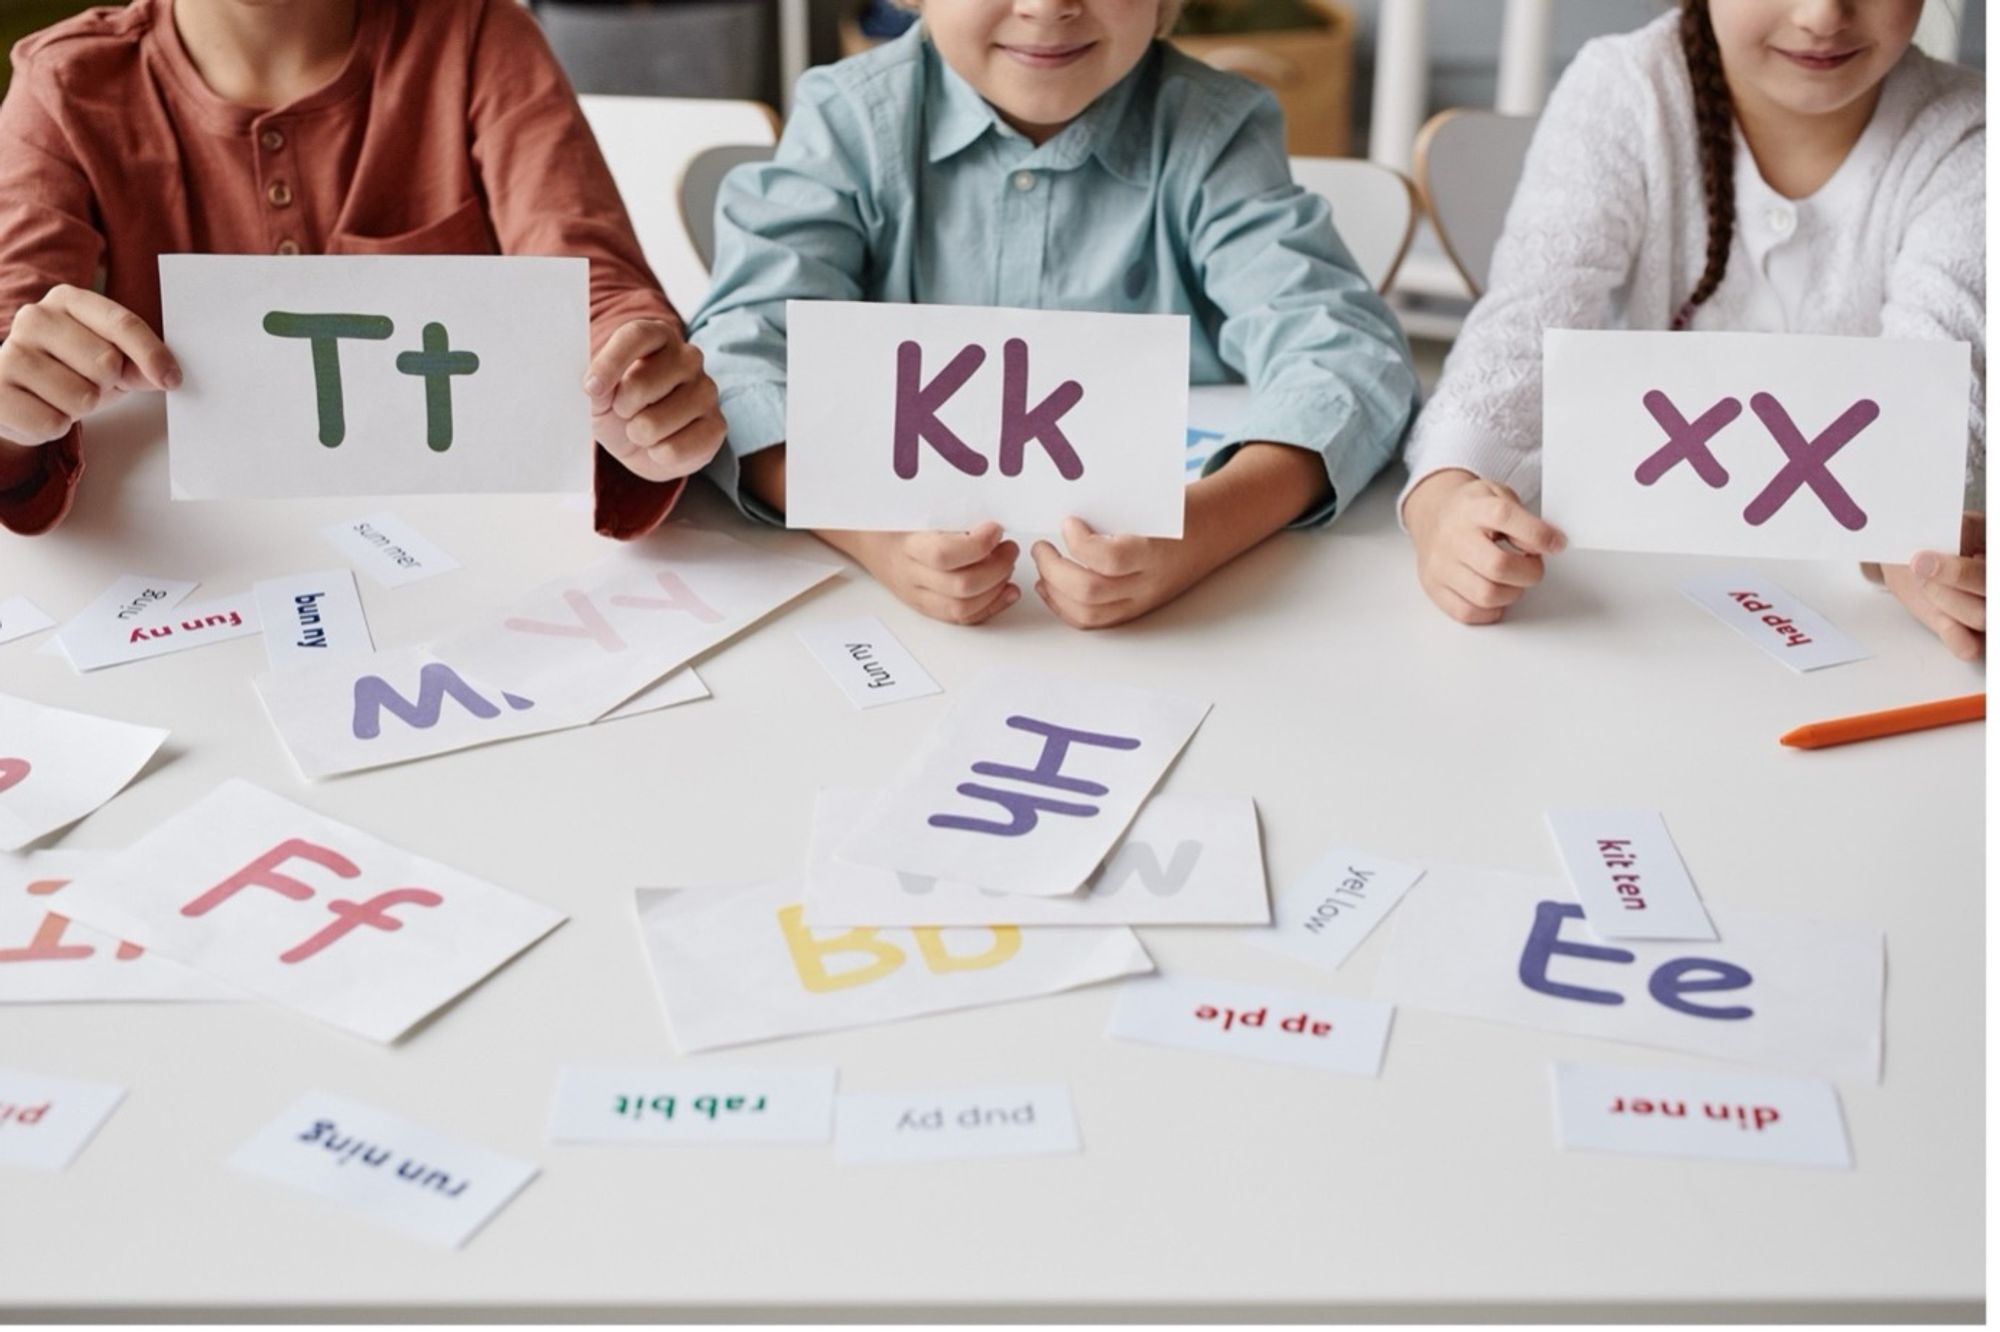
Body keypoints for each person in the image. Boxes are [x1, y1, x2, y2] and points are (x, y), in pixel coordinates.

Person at [688, 0, 1417, 627]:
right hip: (883, 598)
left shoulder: (1213, 130)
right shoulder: (850, 119)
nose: (1048, 5)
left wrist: (1201, 530)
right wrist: (872, 535)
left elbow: (1348, 357)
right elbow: (736, 357)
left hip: (1182, 607)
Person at [0, 0, 724, 538]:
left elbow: (589, 274)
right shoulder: (64, 84)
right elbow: (13, 314)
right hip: (200, 549)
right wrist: (14, 405)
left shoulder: (476, 35)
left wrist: (639, 390)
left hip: (474, 536)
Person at [1402, 0, 1984, 658]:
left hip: (1851, 622)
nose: (1824, 15)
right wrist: (1443, 496)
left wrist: (1914, 544)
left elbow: (1941, 376)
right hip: (1636, 613)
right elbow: (1524, 322)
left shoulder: (1972, 134)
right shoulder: (1625, 90)